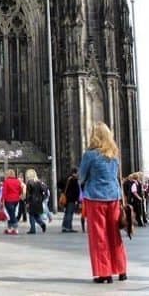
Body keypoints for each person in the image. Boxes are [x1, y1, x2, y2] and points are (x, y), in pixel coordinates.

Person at [79, 121, 127, 284]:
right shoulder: (114, 154)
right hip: (114, 197)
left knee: (99, 235)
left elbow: (82, 177)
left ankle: (104, 272)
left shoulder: (90, 155)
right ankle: (121, 269)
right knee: (115, 234)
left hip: (95, 198)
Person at [25, 169, 47, 234]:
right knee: (36, 215)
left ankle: (33, 229)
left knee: (31, 215)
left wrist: (27, 202)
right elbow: (45, 191)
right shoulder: (39, 182)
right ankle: (42, 223)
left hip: (32, 201)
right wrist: (42, 198)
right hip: (38, 202)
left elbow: (28, 194)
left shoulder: (29, 182)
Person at [0, 169, 23, 235]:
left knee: (11, 214)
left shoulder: (6, 181)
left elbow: (4, 192)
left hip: (9, 200)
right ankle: (9, 229)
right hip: (16, 200)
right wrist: (18, 195)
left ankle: (15, 229)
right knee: (11, 214)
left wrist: (2, 200)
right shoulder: (17, 181)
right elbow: (20, 190)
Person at [61, 168, 81, 233]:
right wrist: (77, 200)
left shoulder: (66, 178)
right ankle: (68, 227)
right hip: (71, 198)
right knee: (70, 213)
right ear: (75, 173)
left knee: (67, 212)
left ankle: (64, 226)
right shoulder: (73, 179)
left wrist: (63, 191)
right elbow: (76, 190)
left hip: (66, 198)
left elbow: (59, 184)